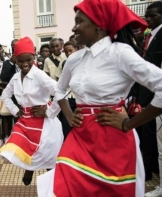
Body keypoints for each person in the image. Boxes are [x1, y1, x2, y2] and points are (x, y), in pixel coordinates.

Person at [37, 0, 162, 196]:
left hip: (112, 140)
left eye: (79, 22)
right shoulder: (74, 59)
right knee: (60, 187)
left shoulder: (120, 53)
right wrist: (69, 115)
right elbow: (59, 90)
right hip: (80, 135)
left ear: (99, 24)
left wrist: (130, 123)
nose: (73, 27)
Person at [0, 37, 63, 186]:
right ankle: (30, 169)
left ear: (33, 56)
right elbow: (5, 96)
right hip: (25, 121)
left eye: (28, 59)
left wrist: (49, 110)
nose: (25, 64)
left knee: (47, 156)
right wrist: (15, 110)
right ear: (15, 59)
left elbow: (60, 91)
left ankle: (50, 185)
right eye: (21, 61)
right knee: (17, 146)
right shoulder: (15, 78)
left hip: (44, 123)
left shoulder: (39, 75)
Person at [137, 1, 162, 192]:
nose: (148, 19)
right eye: (147, 15)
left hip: (158, 97)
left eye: (152, 16)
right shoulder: (150, 36)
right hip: (151, 98)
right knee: (158, 148)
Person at [55, 41, 78, 139]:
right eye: (66, 52)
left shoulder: (82, 61)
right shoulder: (63, 63)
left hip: (78, 98)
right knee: (67, 124)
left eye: (71, 51)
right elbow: (58, 80)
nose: (68, 53)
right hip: (67, 98)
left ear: (76, 49)